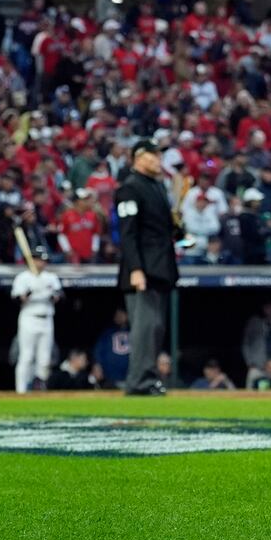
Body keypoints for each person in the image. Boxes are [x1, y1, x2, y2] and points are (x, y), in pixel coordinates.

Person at [117, 139, 179, 395]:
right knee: (144, 327)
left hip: (161, 267)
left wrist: (177, 225)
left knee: (155, 327)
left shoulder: (158, 187)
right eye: (153, 156)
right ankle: (138, 381)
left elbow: (163, 230)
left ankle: (149, 377)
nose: (158, 160)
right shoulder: (129, 189)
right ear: (138, 158)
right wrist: (136, 269)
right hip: (143, 268)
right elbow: (128, 234)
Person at [10, 250, 62, 393]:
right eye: (38, 259)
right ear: (32, 260)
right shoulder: (23, 277)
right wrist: (30, 291)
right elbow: (16, 299)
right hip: (29, 318)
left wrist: (49, 292)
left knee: (44, 358)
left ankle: (40, 389)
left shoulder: (50, 277)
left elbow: (60, 296)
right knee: (26, 356)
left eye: (43, 260)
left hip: (47, 318)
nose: (41, 263)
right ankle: (20, 391)